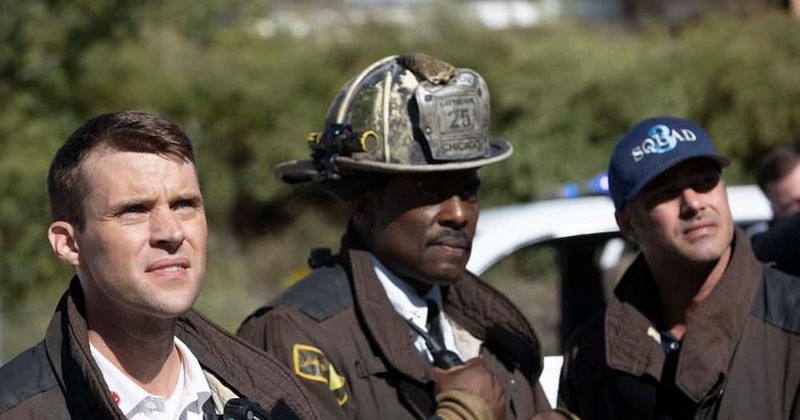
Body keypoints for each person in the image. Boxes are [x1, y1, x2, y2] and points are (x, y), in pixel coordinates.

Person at [238, 54, 568, 420]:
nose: (458, 214)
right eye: (429, 192)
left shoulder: (490, 329)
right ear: (365, 207)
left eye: (468, 192)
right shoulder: (296, 335)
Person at [0, 112, 319, 419]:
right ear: (70, 244)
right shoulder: (19, 409)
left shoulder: (269, 395)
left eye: (184, 204)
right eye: (134, 210)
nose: (172, 232)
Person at [559, 116, 800, 419]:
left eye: (705, 182)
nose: (694, 204)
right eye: (667, 192)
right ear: (629, 225)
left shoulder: (791, 321)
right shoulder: (592, 353)